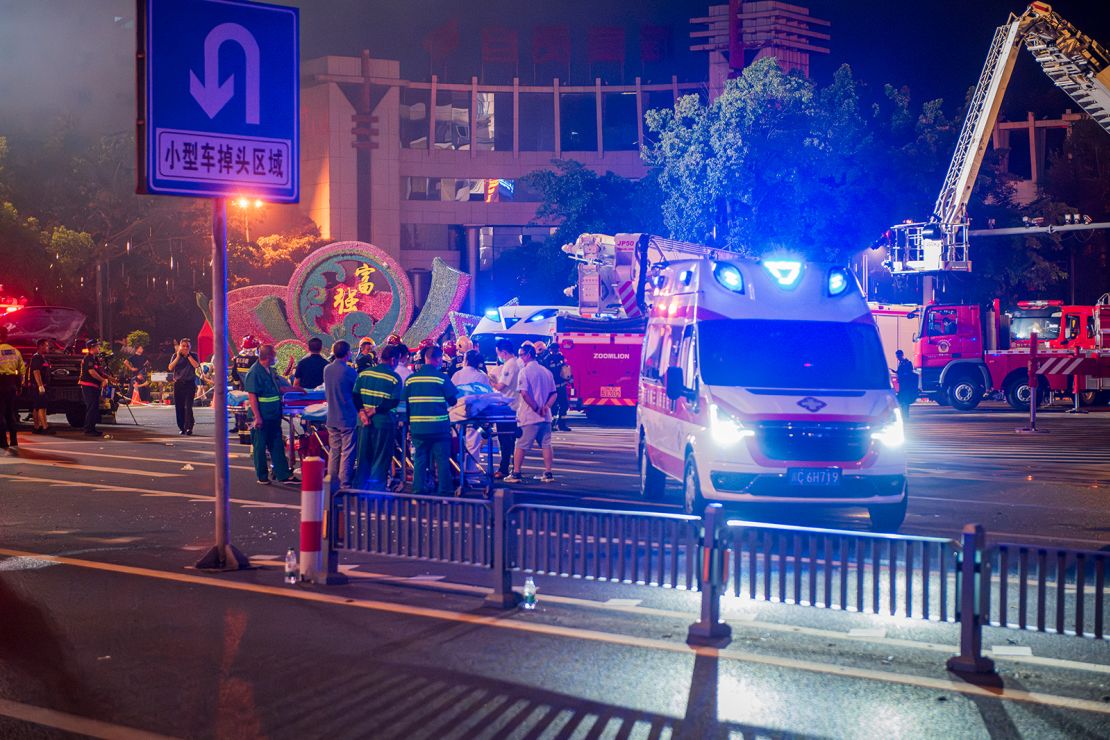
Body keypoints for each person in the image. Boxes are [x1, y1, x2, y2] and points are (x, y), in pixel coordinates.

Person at [404, 345, 458, 495]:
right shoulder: (442, 378)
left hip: (418, 428)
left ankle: (418, 490)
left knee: (420, 459)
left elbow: (405, 404)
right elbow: (453, 401)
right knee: (442, 460)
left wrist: (408, 424)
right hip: (439, 428)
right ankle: (445, 491)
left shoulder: (410, 379)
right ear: (438, 359)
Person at [244, 343, 297, 485]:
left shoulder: (270, 370)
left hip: (273, 414)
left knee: (277, 444)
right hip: (262, 415)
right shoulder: (254, 373)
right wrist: (257, 417)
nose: (276, 358)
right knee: (260, 447)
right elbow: (252, 396)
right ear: (268, 357)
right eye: (274, 355)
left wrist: (295, 390)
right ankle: (262, 476)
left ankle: (283, 474)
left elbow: (279, 388)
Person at [506, 343, 557, 483]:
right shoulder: (546, 372)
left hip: (530, 416)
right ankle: (548, 473)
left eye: (521, 355)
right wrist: (546, 407)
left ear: (528, 355)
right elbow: (554, 394)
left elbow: (524, 393)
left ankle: (516, 473)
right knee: (546, 444)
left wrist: (535, 408)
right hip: (545, 417)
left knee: (521, 445)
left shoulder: (525, 372)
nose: (520, 358)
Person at [354, 343, 403, 488]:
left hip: (363, 423)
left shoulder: (364, 374)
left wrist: (362, 413)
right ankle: (376, 491)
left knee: (362, 457)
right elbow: (393, 402)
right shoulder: (394, 378)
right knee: (380, 458)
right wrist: (375, 410)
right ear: (393, 360)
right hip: (383, 423)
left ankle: (359, 489)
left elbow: (355, 396)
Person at [323, 340, 358, 489]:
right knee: (347, 451)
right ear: (347, 353)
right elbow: (356, 392)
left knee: (334, 450)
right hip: (347, 417)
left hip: (331, 417)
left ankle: (331, 480)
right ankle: (344, 482)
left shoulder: (327, 369)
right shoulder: (350, 372)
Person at [489, 338, 520, 480]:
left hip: (507, 408)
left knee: (505, 439)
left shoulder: (510, 365)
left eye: (498, 353)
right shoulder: (517, 363)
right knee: (511, 440)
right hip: (514, 407)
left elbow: (501, 387)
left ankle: (504, 469)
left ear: (504, 352)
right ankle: (515, 467)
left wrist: (490, 381)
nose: (498, 356)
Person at [78, 339, 112, 437]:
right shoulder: (88, 358)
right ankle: (88, 429)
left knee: (94, 407)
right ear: (92, 348)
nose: (99, 348)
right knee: (91, 407)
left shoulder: (94, 358)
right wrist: (102, 380)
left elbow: (99, 371)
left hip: (93, 386)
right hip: (88, 386)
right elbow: (92, 372)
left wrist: (109, 378)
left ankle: (92, 428)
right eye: (97, 346)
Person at [538, 340, 572, 431]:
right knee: (553, 407)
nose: (555, 351)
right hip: (552, 387)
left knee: (564, 405)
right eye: (553, 349)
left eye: (557, 349)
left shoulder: (561, 357)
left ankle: (562, 425)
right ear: (550, 350)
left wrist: (569, 377)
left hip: (562, 386)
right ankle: (551, 425)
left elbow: (566, 368)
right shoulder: (547, 359)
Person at [168, 338, 200, 435]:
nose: (185, 348)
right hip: (178, 383)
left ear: (190, 347)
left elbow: (196, 365)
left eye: (187, 346)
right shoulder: (175, 355)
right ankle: (182, 427)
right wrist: (178, 356)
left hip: (189, 383)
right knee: (179, 407)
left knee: (188, 406)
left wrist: (188, 356)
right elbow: (170, 367)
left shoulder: (194, 355)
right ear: (180, 346)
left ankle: (189, 427)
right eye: (183, 346)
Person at [0, 326, 25, 451]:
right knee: (11, 412)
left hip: (0, 383)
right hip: (11, 384)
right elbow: (21, 370)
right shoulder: (15, 351)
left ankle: (3, 442)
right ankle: (14, 440)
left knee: (0, 414)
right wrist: (19, 386)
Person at [28, 338, 55, 435]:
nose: (48, 347)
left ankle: (36, 427)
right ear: (40, 346)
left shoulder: (43, 357)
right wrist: (40, 386)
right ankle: (45, 427)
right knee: (42, 407)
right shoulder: (37, 358)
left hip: (40, 386)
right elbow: (36, 371)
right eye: (46, 345)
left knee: (36, 407)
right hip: (38, 386)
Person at [893, 349, 918, 420]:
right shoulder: (901, 363)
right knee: (903, 401)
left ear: (902, 355)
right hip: (902, 385)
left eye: (898, 356)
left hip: (906, 385)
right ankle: (905, 416)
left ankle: (906, 416)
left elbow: (909, 373)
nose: (897, 357)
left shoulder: (907, 362)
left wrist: (901, 374)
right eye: (896, 356)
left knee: (905, 401)